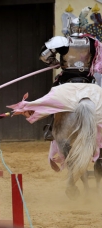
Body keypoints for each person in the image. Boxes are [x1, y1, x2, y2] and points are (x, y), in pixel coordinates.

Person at [39, 6, 94, 141]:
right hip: (88, 79)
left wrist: (55, 63)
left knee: (54, 96)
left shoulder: (63, 42)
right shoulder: (93, 42)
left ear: (70, 28)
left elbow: (43, 56)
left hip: (66, 79)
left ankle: (51, 128)